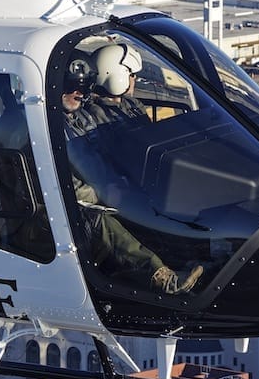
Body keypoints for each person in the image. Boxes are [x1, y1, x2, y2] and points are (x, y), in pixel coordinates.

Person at [60, 42, 206, 296]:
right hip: (79, 204)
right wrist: (105, 191)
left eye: (81, 87)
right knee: (104, 221)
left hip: (107, 186)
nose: (78, 93)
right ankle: (159, 276)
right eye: (70, 88)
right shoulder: (56, 123)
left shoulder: (103, 111)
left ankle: (191, 254)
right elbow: (65, 183)